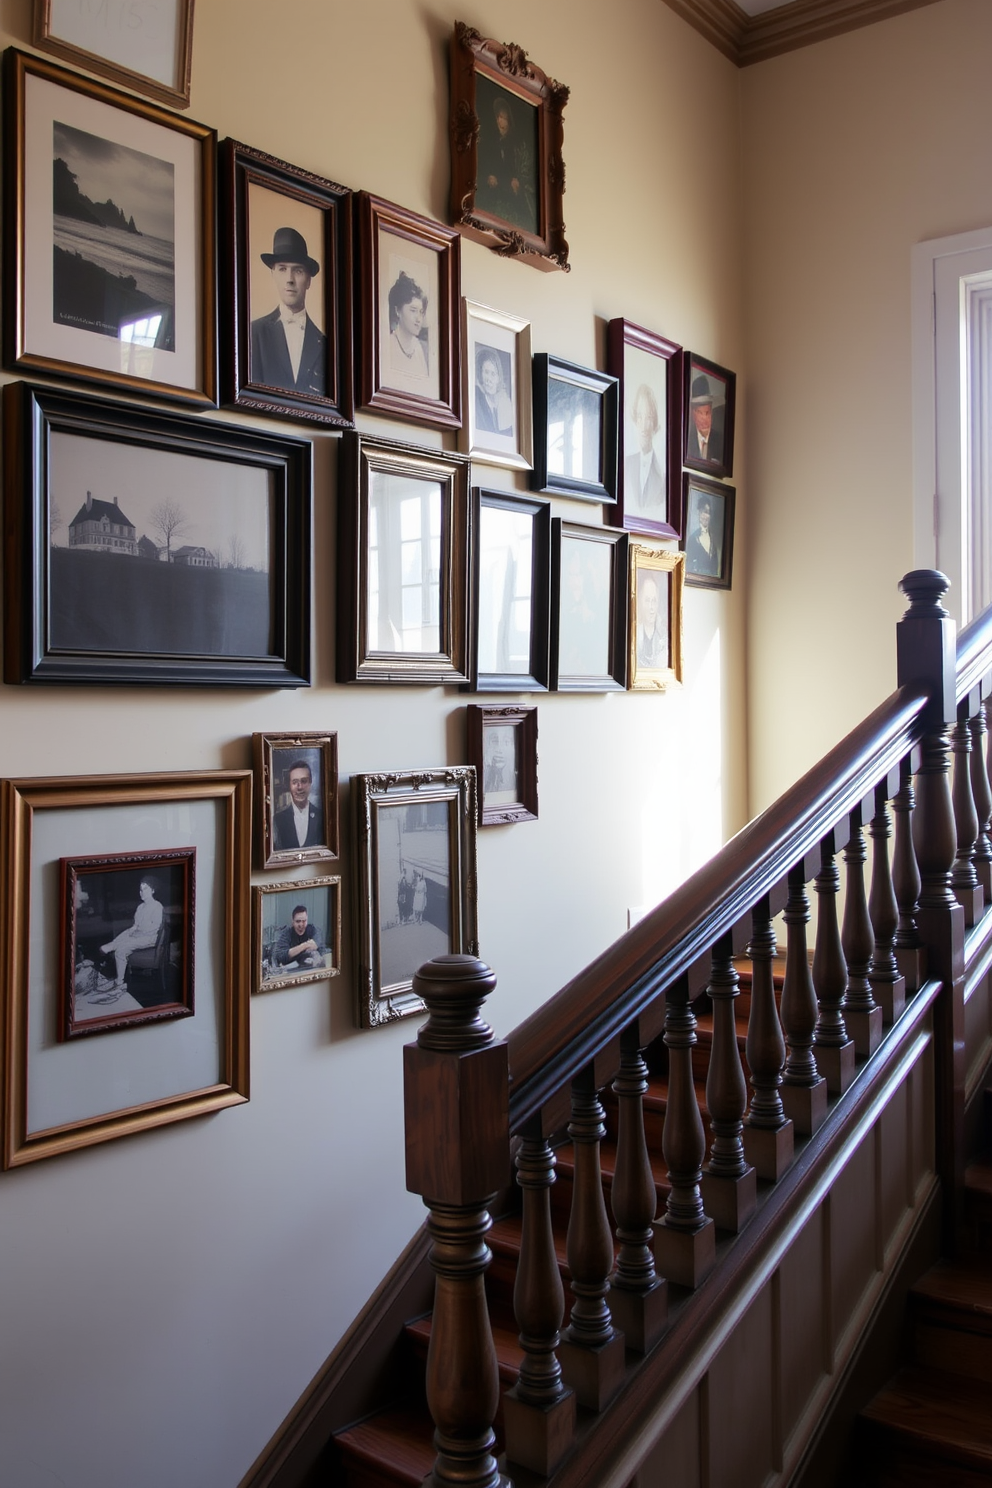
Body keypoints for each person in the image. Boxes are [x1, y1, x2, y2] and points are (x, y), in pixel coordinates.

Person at [251, 226, 327, 397]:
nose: (289, 280)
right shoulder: (253, 333)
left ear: (308, 280)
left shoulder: (325, 345)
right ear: (273, 275)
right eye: (282, 269)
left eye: (298, 271)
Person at [476, 91, 536, 233]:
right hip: (496, 192)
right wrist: (489, 178)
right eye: (498, 117)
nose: (499, 121)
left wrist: (518, 182)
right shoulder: (493, 143)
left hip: (515, 197)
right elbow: (487, 167)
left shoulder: (517, 146)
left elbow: (525, 173)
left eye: (503, 117)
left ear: (509, 121)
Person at [99, 877, 164, 992]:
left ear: (153, 890)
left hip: (150, 937)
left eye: (145, 889)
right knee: (125, 934)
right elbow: (135, 925)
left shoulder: (157, 906)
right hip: (139, 934)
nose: (141, 892)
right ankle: (111, 945)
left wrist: (138, 933)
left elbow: (154, 928)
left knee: (121, 950)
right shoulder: (140, 907)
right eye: (140, 889)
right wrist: (130, 932)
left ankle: (120, 983)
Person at [624, 383, 666, 510]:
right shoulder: (626, 465)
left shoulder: (663, 475)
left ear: (654, 424)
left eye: (648, 417)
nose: (643, 425)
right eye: (639, 416)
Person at [272, 760, 323, 852]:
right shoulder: (278, 819)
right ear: (289, 785)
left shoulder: (321, 816)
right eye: (295, 782)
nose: (299, 787)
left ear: (310, 783)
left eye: (304, 781)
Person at [387, 272, 429, 379]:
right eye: (413, 310)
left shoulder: (420, 348)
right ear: (398, 311)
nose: (418, 319)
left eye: (421, 312)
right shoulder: (388, 345)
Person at [686, 374, 725, 466]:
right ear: (693, 413)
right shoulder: (687, 442)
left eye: (707, 413)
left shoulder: (720, 441)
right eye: (700, 413)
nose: (704, 419)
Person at [475, 348, 514, 436]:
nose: (489, 379)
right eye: (486, 372)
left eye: (493, 374)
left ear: (498, 378)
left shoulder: (504, 403)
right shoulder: (477, 398)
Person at [273, 905, 324, 970]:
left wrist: (293, 952)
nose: (301, 925)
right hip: (291, 972)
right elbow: (281, 956)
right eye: (298, 921)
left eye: (304, 921)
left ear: (307, 920)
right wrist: (304, 945)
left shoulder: (313, 930)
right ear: (292, 921)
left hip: (311, 970)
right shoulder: (286, 934)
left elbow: (317, 945)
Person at [636, 575, 668, 668]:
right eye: (647, 600)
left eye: (654, 601)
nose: (651, 607)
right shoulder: (635, 634)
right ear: (641, 603)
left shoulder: (663, 634)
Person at [686, 494, 721, 577]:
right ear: (699, 513)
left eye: (708, 513)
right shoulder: (693, 538)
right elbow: (689, 565)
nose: (706, 516)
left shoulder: (714, 538)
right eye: (703, 512)